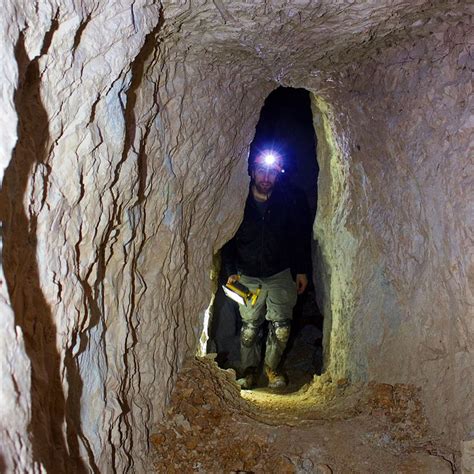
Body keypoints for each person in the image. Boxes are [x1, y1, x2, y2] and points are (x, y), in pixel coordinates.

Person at [221, 151, 311, 389]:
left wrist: (301, 271)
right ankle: (249, 370)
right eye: (261, 170)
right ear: (251, 172)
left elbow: (298, 239)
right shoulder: (239, 203)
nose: (266, 177)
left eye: (271, 172)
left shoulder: (288, 203)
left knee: (281, 327)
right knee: (250, 328)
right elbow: (228, 239)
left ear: (278, 176)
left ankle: (272, 368)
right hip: (247, 274)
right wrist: (231, 270)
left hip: (280, 273)